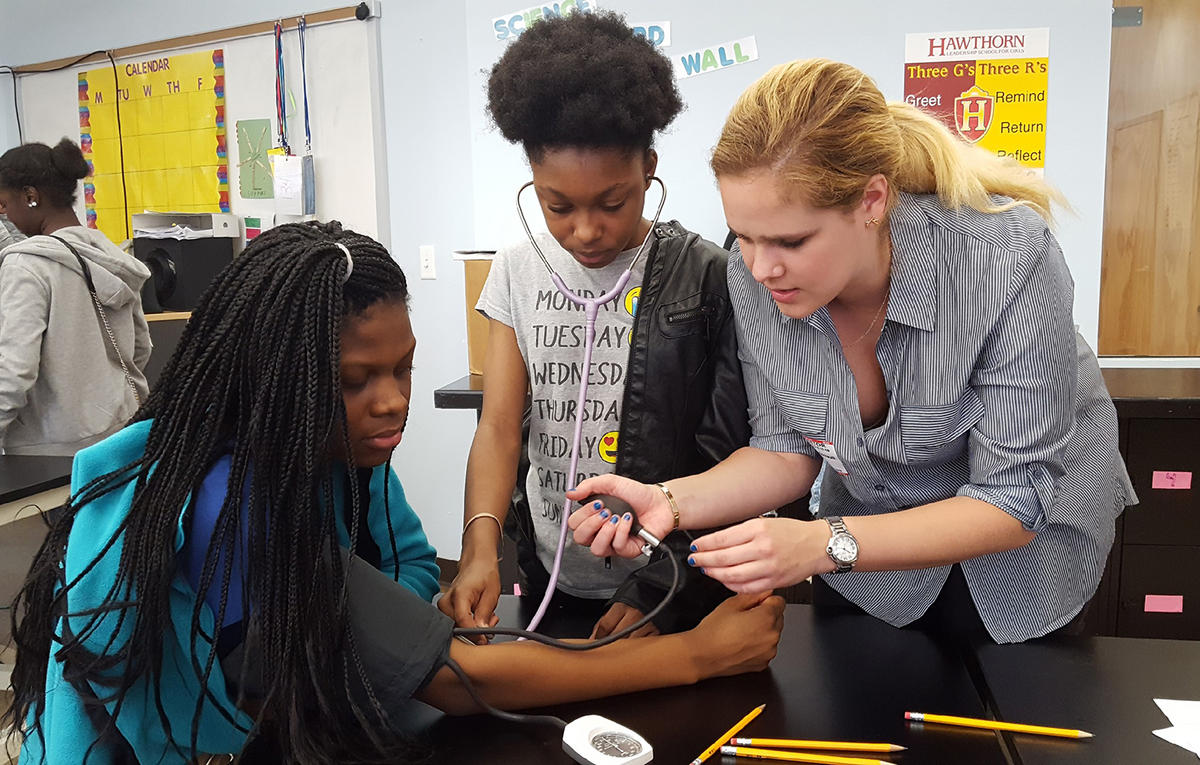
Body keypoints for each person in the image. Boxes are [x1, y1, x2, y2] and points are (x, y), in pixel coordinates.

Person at [5, 221, 785, 764]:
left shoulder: (337, 447)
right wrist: (695, 655)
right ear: (278, 380)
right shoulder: (224, 499)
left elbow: (409, 567)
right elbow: (460, 679)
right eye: (355, 380)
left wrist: (389, 625)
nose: (392, 402)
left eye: (403, 368)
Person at [568, 58, 1136, 644]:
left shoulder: (1007, 259)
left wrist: (822, 543)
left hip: (1023, 568)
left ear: (871, 201)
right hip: (865, 561)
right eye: (746, 237)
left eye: (791, 241)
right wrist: (668, 501)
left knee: (1012, 696)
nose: (761, 268)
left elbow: (1013, 501)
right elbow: (783, 450)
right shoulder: (753, 274)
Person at [439, 10, 752, 641]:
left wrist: (658, 589)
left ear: (648, 170)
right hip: (552, 571)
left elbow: (724, 453)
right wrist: (479, 548)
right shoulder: (517, 270)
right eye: (558, 206)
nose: (585, 231)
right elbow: (498, 428)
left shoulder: (706, 275)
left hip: (673, 579)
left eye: (613, 202)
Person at [0, 138, 151, 456]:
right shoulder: (111, 255)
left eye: (3, 203)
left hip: (50, 451)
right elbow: (140, 347)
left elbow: (14, 371)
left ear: (30, 196)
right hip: (122, 433)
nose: (3, 214)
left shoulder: (26, 265)